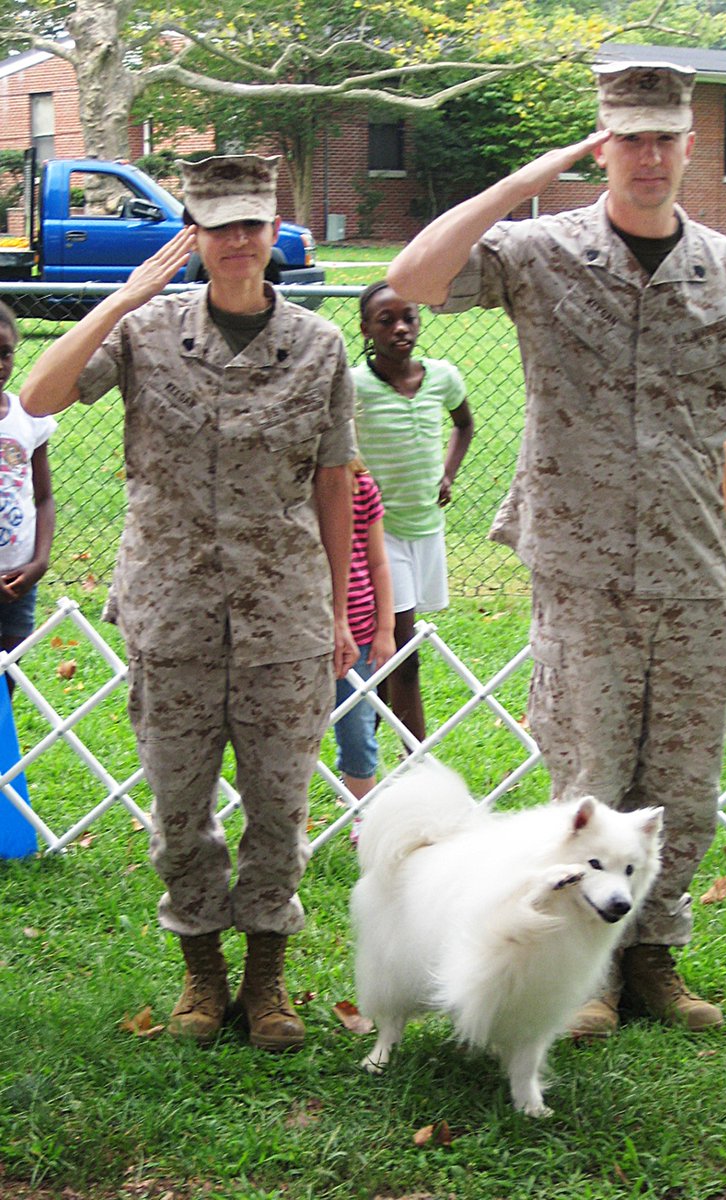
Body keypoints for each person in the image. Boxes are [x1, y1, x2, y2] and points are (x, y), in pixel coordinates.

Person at [387, 61, 726, 1035]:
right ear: (602, 148)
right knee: (589, 777)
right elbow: (413, 279)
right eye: (628, 139)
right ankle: (586, 973)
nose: (648, 157)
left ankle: (654, 958)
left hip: (694, 561)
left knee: (683, 783)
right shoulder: (540, 251)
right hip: (579, 566)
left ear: (689, 146)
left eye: (664, 139)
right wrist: (525, 181)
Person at [21, 154, 358, 1051]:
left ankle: (266, 981)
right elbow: (37, 396)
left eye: (252, 224)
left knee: (279, 811)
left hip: (284, 612)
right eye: (219, 226)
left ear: (272, 231)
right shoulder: (146, 332)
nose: (238, 241)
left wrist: (335, 609)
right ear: (193, 237)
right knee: (179, 812)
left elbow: (333, 479)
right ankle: (202, 976)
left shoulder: (319, 345)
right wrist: (123, 298)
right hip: (172, 610)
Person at [352, 281, 474, 744]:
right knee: (406, 651)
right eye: (386, 321)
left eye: (409, 319)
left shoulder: (441, 376)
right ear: (366, 329)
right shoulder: (354, 385)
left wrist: (448, 474)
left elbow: (464, 424)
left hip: (427, 529)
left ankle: (363, 756)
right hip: (381, 537)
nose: (400, 328)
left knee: (389, 650)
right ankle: (415, 760)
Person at [0, 300, 56, 694]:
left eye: (5, 353)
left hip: (19, 577)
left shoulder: (28, 415)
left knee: (7, 675)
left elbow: (44, 497)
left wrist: (39, 562)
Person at [333, 456, 395, 804]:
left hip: (359, 637)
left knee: (357, 732)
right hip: (303, 635)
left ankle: (363, 813)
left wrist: (385, 628)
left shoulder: (363, 488)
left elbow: (378, 561)